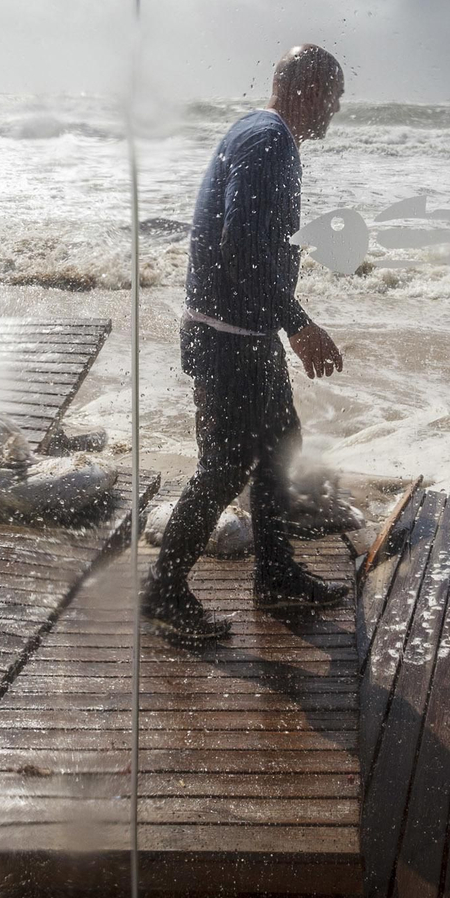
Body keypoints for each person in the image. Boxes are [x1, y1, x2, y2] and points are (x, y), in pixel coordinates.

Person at [142, 43, 352, 647]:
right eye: (333, 95)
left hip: (238, 331)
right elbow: (242, 247)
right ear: (307, 88)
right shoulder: (269, 141)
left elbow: (250, 244)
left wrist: (279, 320)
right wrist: (298, 322)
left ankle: (277, 572)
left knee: (282, 442)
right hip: (228, 336)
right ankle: (163, 591)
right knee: (224, 466)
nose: (335, 110)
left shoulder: (257, 134)